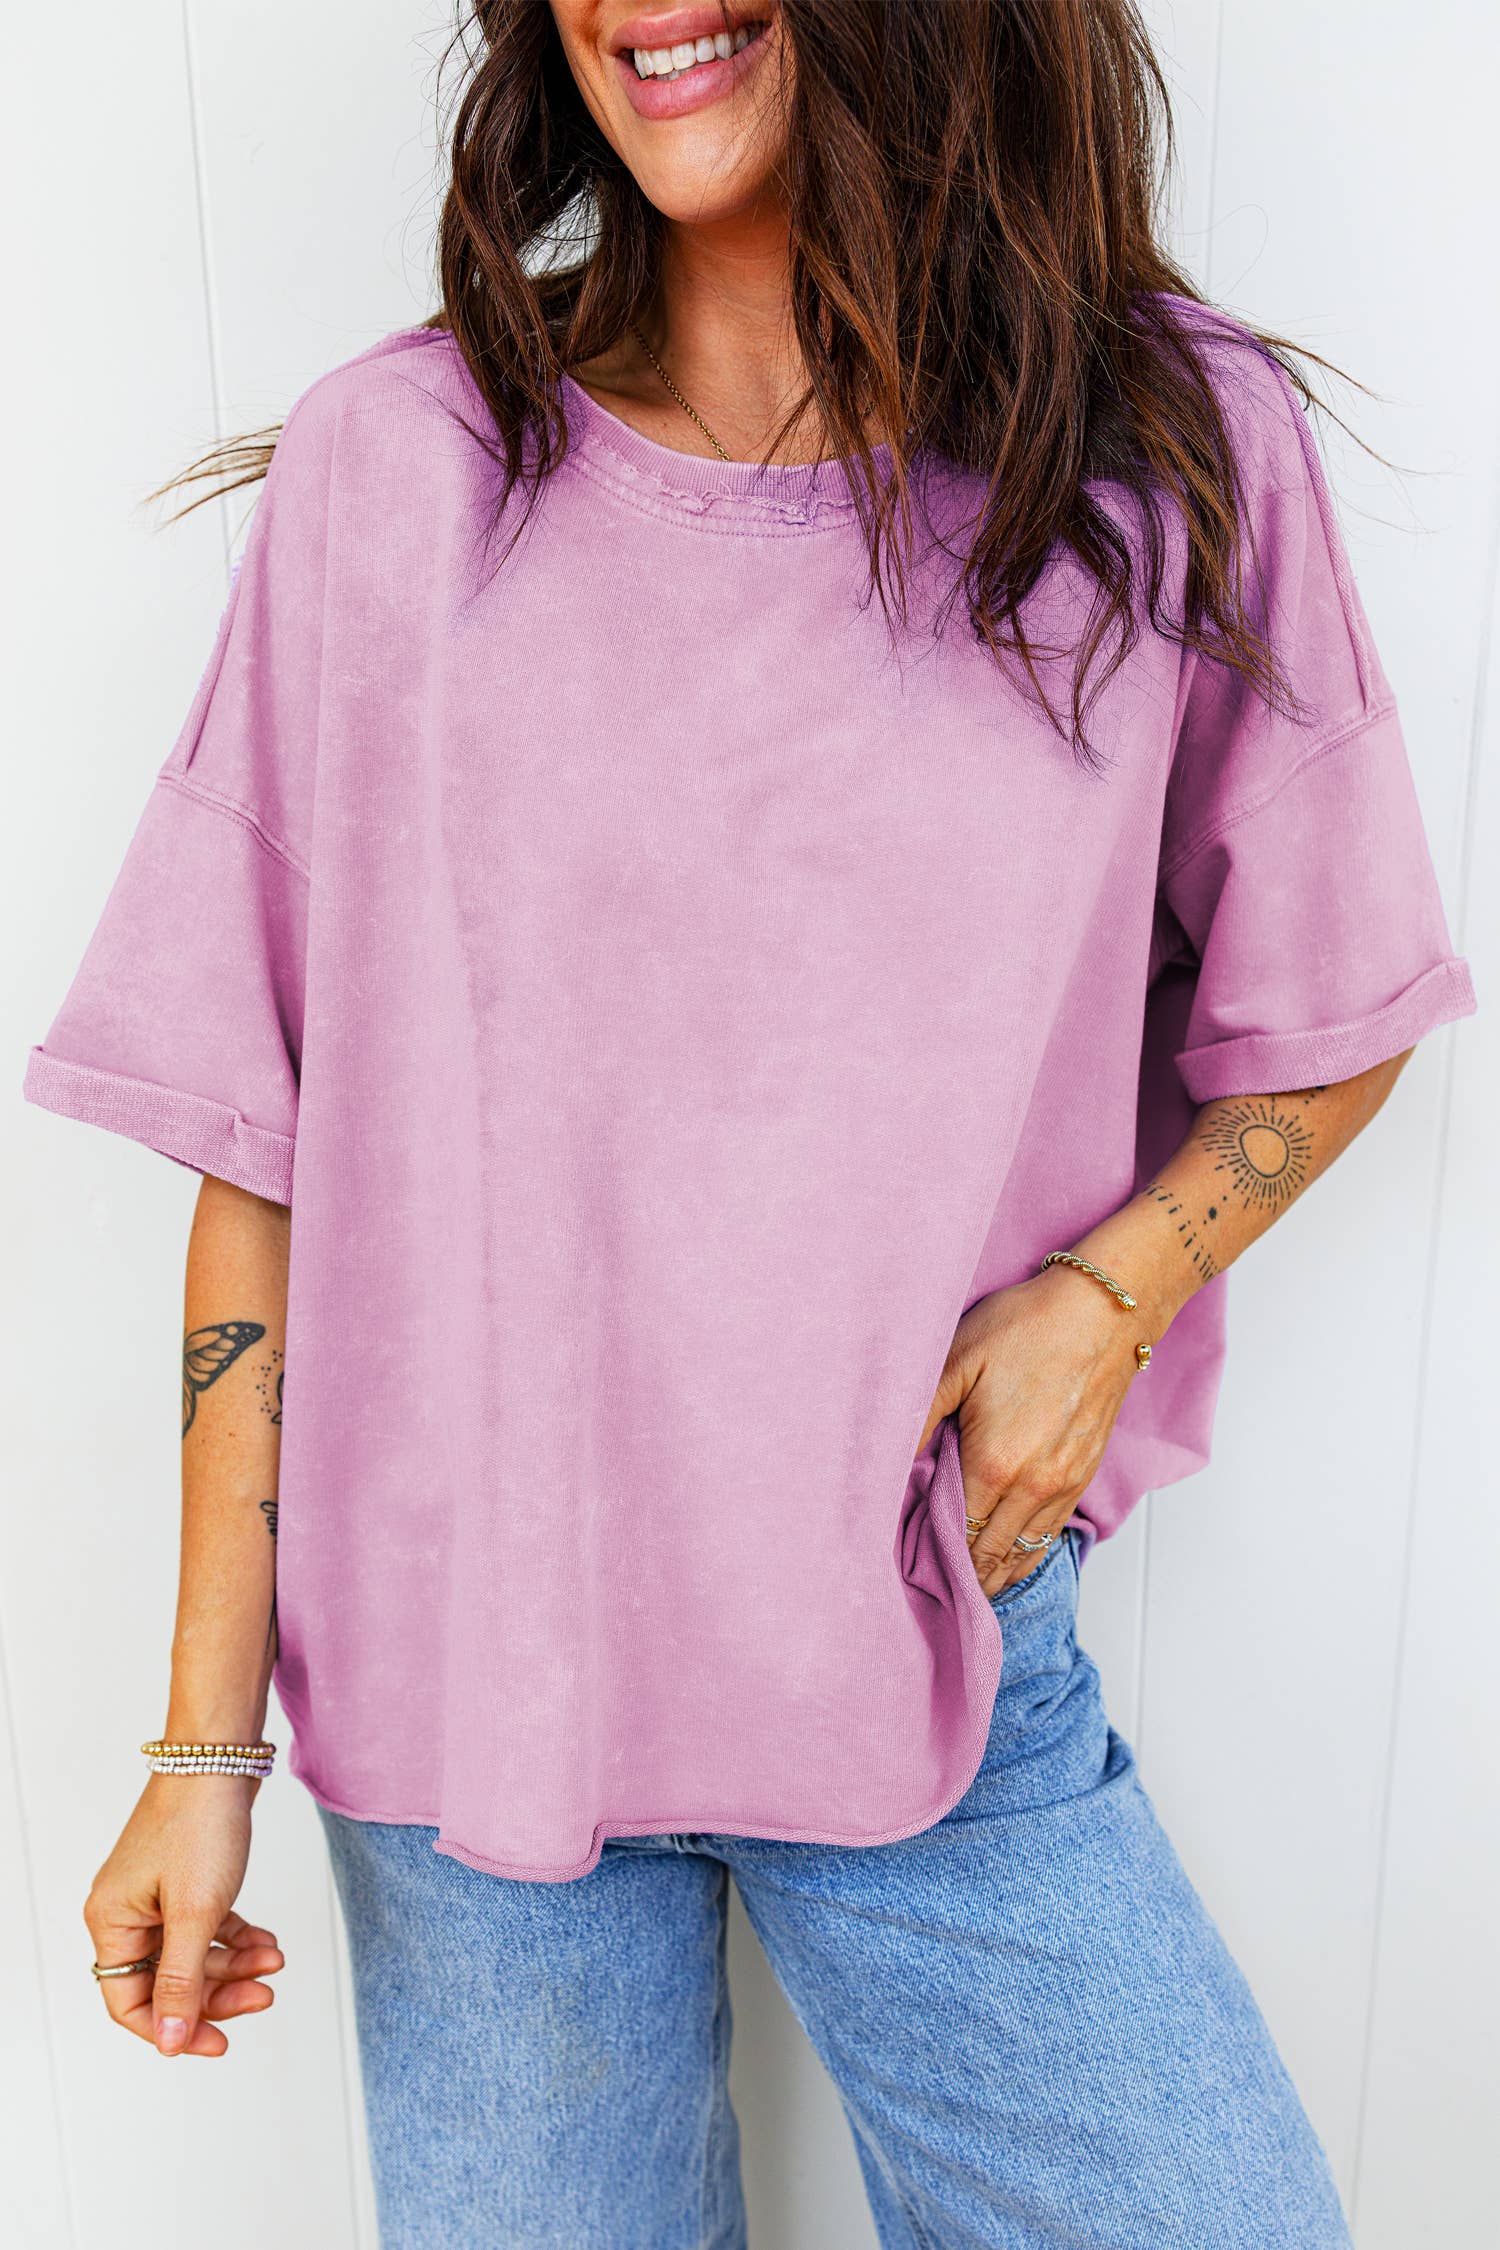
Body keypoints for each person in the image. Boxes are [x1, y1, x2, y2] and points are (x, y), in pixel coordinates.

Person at [24, 3, 1476, 2244]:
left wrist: (1109, 1296)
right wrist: (201, 1749)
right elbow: (262, 1136)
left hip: (929, 1645)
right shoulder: (399, 469)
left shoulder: (1163, 454)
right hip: (472, 1693)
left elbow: (1340, 1001)